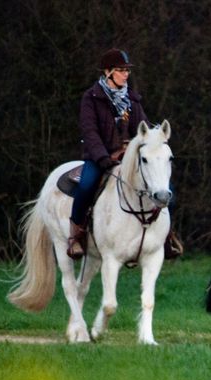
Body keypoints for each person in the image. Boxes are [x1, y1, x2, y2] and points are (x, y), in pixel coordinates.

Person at [67, 48, 150, 258]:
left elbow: (143, 128)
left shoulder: (132, 99)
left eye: (127, 71)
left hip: (127, 158)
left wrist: (152, 140)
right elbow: (90, 131)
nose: (126, 74)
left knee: (163, 186)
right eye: (121, 70)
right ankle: (75, 235)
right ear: (108, 72)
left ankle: (166, 237)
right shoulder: (90, 98)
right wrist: (103, 157)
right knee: (86, 186)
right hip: (99, 157)